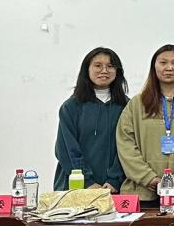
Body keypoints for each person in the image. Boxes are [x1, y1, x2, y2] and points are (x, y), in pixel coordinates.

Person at [116, 44, 174, 206]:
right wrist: (148, 177)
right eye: (163, 62)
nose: (169, 68)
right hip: (141, 193)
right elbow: (125, 143)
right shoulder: (137, 103)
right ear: (154, 67)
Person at [53, 47, 128, 191]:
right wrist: (86, 181)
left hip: (114, 187)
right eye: (98, 66)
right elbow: (66, 150)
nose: (104, 70)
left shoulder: (127, 106)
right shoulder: (71, 107)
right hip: (76, 186)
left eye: (110, 66)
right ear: (86, 69)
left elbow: (128, 147)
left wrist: (115, 180)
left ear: (117, 71)